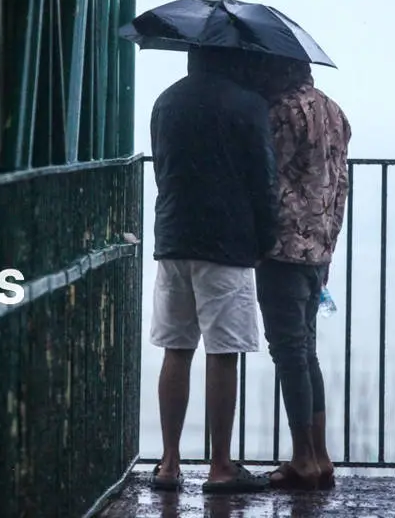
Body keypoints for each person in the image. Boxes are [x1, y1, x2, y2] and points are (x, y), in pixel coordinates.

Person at [147, 46, 278, 494]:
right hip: (226, 243)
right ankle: (220, 465)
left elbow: (163, 171)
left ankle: (169, 463)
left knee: (176, 348)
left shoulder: (165, 101)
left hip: (174, 238)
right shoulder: (247, 105)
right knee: (223, 352)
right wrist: (265, 240)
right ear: (233, 58)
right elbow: (263, 180)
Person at [251, 56, 351, 490]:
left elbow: (265, 178)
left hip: (283, 249)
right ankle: (320, 455)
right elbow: (340, 184)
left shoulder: (281, 113)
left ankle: (303, 459)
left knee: (288, 352)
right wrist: (329, 242)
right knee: (305, 351)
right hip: (319, 248)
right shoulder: (334, 111)